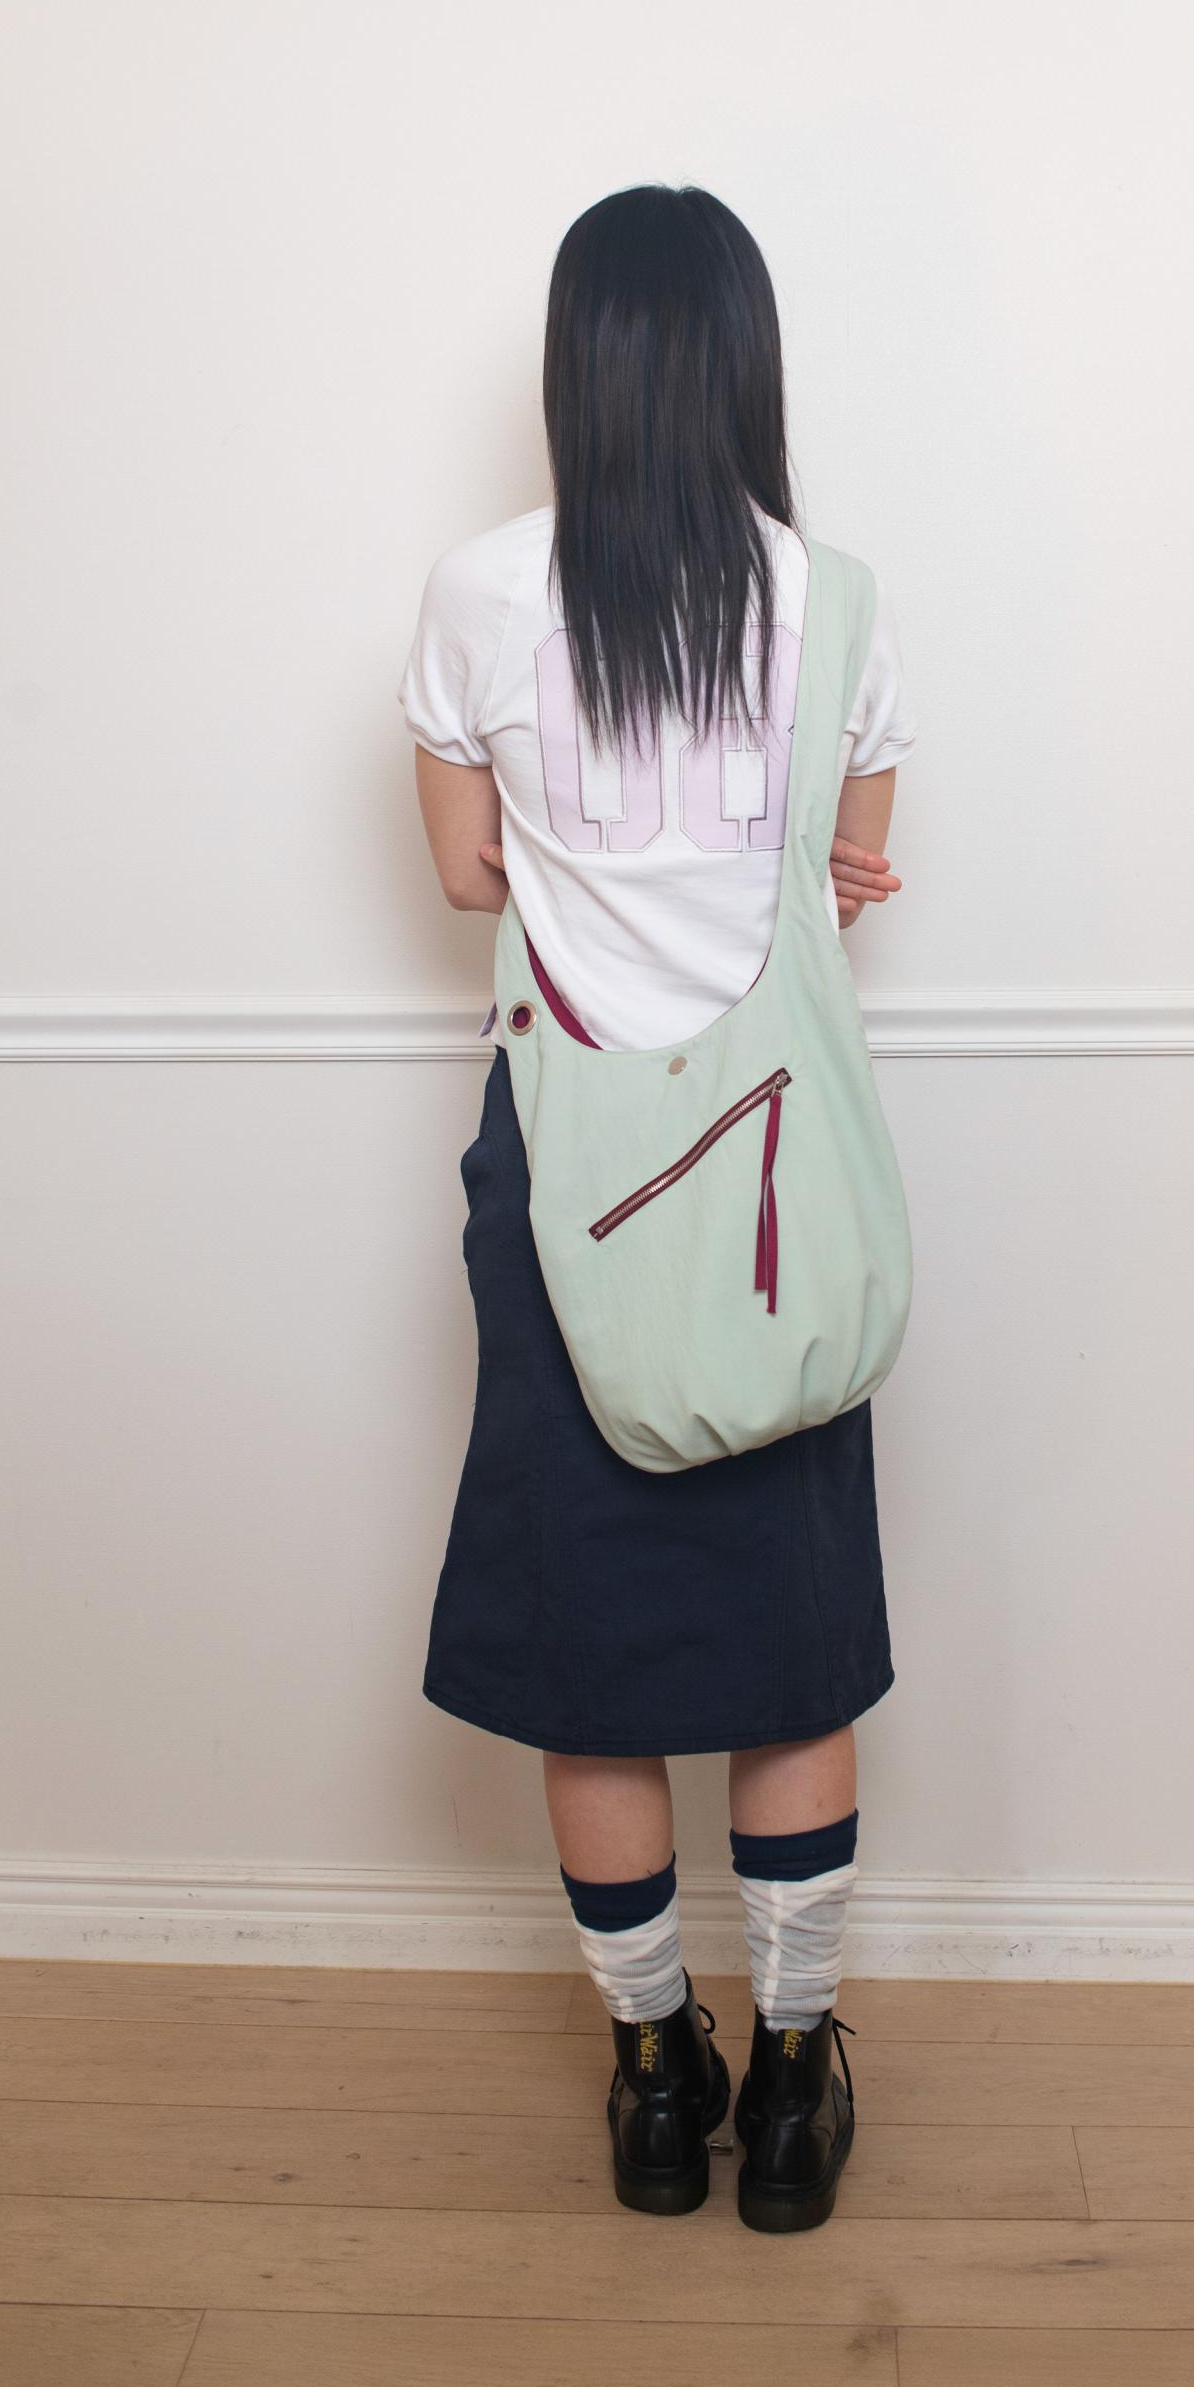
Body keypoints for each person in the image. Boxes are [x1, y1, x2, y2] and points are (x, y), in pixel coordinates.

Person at [397, 183, 914, 2231]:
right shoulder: (834, 598)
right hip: (781, 1183)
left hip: (564, 1175)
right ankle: (790, 2084)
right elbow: (851, 867)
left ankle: (647, 2073)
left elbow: (466, 870)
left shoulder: (478, 591)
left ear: (577, 368)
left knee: (589, 1647)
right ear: (743, 364)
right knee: (791, 1650)